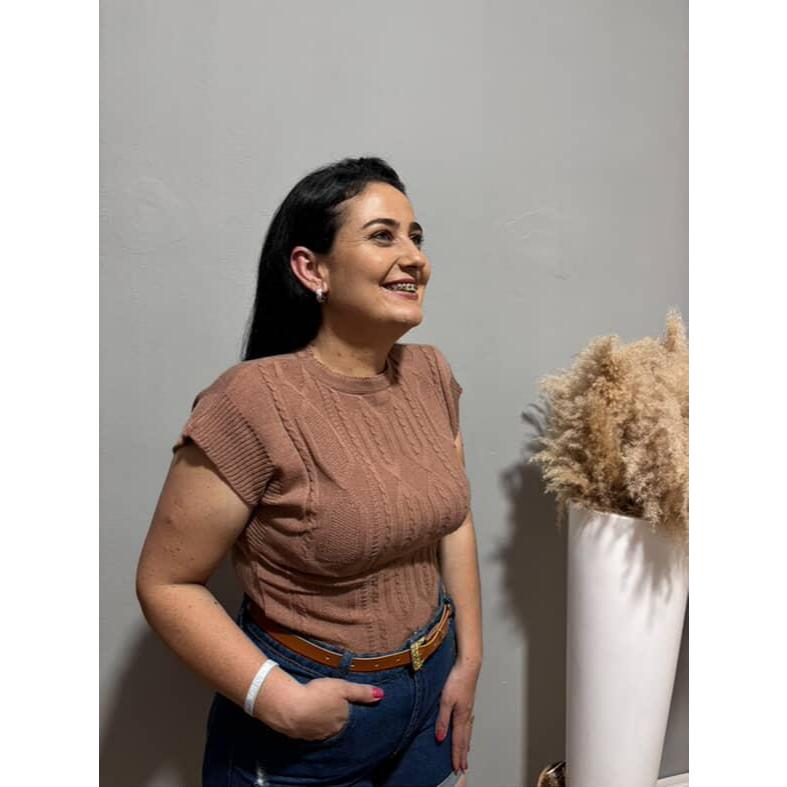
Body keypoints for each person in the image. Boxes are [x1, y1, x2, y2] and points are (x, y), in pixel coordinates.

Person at [136, 156, 483, 787]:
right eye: (382, 236)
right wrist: (280, 701)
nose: (414, 257)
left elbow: (452, 521)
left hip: (431, 695)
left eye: (415, 237)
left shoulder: (431, 374)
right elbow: (166, 583)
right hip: (311, 722)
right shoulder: (249, 401)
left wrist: (468, 658)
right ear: (311, 268)